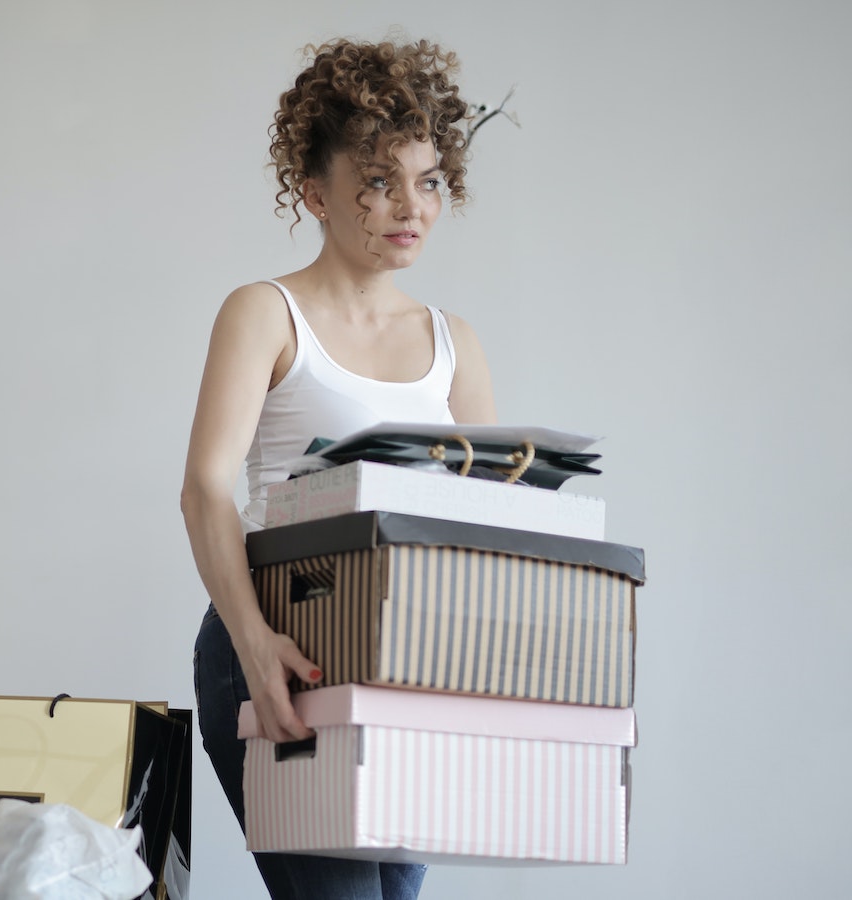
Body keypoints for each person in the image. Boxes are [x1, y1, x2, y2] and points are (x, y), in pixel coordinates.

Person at [180, 37, 497, 900]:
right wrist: (251, 646)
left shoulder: (452, 342)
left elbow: (485, 523)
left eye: (429, 179)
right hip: (284, 645)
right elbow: (206, 486)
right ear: (315, 193)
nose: (412, 205)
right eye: (379, 179)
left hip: (411, 663)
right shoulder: (264, 313)